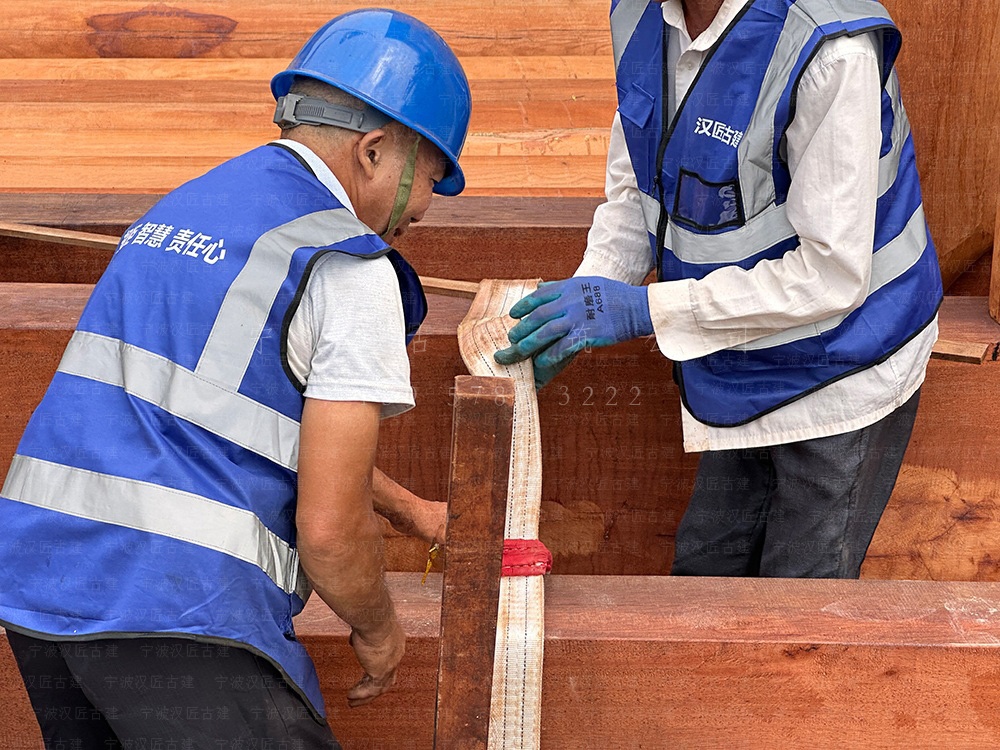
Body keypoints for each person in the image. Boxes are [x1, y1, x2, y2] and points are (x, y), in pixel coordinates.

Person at [0, 8, 468, 747]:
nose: (421, 212)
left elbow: (217, 414)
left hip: (41, 586)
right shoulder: (347, 264)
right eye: (432, 181)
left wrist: (409, 510)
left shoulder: (189, 209)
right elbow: (329, 529)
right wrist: (378, 627)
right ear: (375, 151)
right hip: (182, 608)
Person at [496, 0, 942, 579]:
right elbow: (640, 190)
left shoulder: (829, 48)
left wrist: (645, 311)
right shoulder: (641, 16)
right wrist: (591, 294)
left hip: (842, 366)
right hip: (733, 355)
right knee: (705, 580)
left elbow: (831, 274)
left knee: (799, 609)